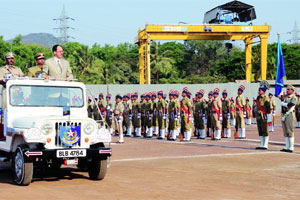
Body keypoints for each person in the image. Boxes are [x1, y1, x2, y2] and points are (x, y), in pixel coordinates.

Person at [0, 52, 24, 140]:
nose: (11, 60)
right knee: (5, 112)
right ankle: (3, 134)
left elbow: (22, 77)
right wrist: (5, 79)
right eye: (9, 58)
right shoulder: (2, 69)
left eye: (12, 58)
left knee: (18, 112)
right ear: (5, 60)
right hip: (7, 91)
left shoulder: (17, 69)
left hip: (17, 93)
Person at [277, 85, 297, 153]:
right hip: (283, 114)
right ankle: (287, 146)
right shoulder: (284, 96)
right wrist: (278, 89)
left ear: (292, 90)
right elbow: (277, 95)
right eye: (287, 89)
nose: (287, 90)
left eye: (288, 89)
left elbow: (292, 104)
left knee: (289, 130)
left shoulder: (293, 97)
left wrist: (284, 104)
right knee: (285, 131)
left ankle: (291, 147)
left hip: (289, 114)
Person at [255, 81, 271, 150]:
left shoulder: (266, 98)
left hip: (264, 115)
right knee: (260, 130)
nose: (259, 91)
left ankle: (265, 144)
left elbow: (268, 108)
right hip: (258, 116)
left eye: (260, 90)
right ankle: (261, 144)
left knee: (265, 130)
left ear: (263, 91)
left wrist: (268, 117)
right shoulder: (258, 98)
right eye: (259, 90)